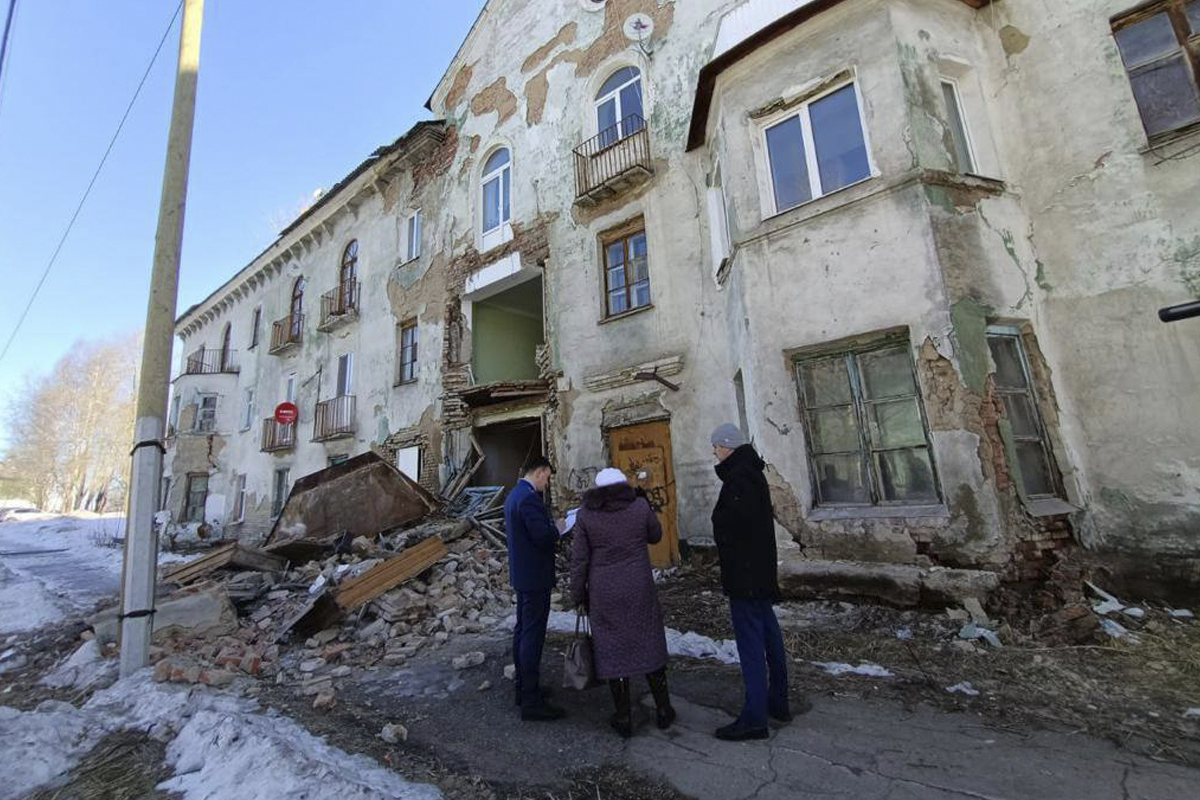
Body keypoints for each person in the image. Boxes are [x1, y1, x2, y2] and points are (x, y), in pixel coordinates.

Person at [570, 468, 674, 738]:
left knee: (612, 649)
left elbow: (579, 560)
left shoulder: (586, 515)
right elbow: (656, 536)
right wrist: (647, 505)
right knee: (648, 640)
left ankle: (624, 716)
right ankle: (664, 710)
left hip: (604, 591)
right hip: (638, 586)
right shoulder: (639, 507)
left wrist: (578, 594)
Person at [709, 423, 790, 741]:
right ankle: (778, 702)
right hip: (758, 572)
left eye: (715, 447)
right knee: (769, 635)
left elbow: (734, 526)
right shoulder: (751, 473)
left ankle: (755, 718)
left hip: (745, 576)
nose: (714, 453)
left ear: (726, 446)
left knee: (751, 645)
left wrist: (722, 533)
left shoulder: (738, 478)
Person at [504, 456, 566, 721]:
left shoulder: (514, 494)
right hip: (534, 577)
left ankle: (524, 689)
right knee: (532, 635)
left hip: (523, 575)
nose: (548, 482)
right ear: (540, 473)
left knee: (522, 630)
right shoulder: (528, 498)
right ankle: (531, 701)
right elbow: (541, 536)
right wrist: (560, 529)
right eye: (548, 477)